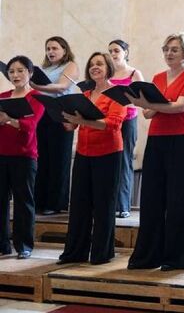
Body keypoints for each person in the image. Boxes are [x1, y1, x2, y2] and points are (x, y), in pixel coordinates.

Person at [127, 32, 184, 271]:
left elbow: (181, 107)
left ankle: (177, 258)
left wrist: (151, 105)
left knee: (180, 199)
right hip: (158, 138)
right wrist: (147, 104)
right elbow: (149, 114)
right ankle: (149, 255)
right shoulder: (158, 77)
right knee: (152, 198)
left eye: (175, 49)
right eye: (166, 49)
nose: (169, 53)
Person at [58, 52, 127, 265]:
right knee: (79, 204)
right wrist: (68, 121)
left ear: (108, 68)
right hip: (84, 153)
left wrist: (83, 121)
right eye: (92, 65)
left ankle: (101, 253)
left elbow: (113, 123)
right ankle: (75, 252)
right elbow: (75, 125)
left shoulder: (118, 94)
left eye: (100, 64)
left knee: (103, 205)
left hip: (108, 153)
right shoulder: (85, 94)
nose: (95, 67)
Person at [0, 56, 46, 259]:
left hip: (25, 155)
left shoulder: (36, 97)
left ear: (30, 73)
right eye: (11, 71)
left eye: (20, 70)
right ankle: (2, 244)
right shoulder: (3, 96)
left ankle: (24, 245)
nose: (15, 75)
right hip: (1, 154)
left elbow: (30, 126)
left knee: (23, 201)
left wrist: (9, 120)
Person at [31, 36, 79, 215]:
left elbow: (62, 87)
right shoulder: (44, 69)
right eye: (48, 48)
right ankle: (40, 201)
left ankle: (56, 202)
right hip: (43, 113)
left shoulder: (71, 65)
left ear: (64, 50)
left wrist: (36, 86)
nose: (50, 51)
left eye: (54, 48)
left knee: (59, 159)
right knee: (42, 158)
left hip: (61, 113)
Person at [108, 39, 145, 219]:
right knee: (110, 160)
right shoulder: (107, 74)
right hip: (109, 120)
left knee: (125, 160)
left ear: (125, 53)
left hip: (128, 119)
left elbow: (143, 97)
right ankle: (109, 203)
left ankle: (123, 205)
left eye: (116, 50)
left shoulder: (134, 73)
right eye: (110, 51)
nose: (113, 54)